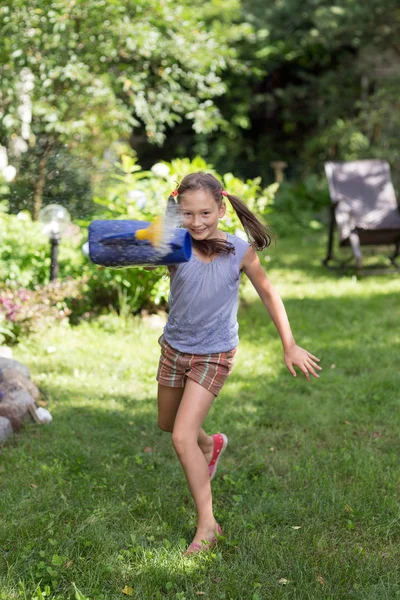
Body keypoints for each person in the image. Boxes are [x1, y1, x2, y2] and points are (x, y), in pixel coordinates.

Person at [155, 172, 321, 556]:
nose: (197, 222)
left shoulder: (240, 250)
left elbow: (268, 293)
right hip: (174, 348)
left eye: (205, 213)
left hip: (214, 353)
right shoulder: (175, 246)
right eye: (187, 214)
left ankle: (208, 525)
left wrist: (290, 344)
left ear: (222, 209)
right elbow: (140, 253)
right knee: (168, 424)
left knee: (181, 437)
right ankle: (211, 445)